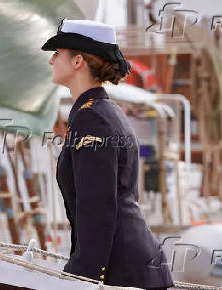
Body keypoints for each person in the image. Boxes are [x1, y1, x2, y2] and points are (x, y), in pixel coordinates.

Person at [41, 19, 174, 289]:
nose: (51, 61)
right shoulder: (100, 111)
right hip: (130, 266)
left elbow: (98, 206)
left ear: (77, 61)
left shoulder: (92, 119)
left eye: (57, 54)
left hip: (122, 272)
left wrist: (83, 276)